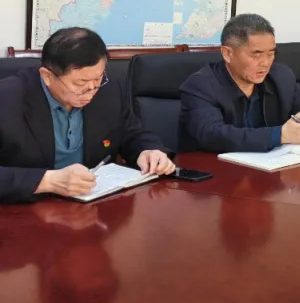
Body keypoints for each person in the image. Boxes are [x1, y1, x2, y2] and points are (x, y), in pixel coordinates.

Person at [0, 28, 174, 203]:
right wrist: (46, 181)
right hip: (28, 208)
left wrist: (148, 150)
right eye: (80, 83)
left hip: (95, 203)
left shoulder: (110, 86)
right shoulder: (7, 98)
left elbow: (131, 132)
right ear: (47, 76)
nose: (91, 89)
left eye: (98, 79)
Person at [178, 13, 300, 153]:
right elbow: (212, 134)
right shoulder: (200, 85)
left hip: (272, 168)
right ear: (227, 53)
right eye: (256, 55)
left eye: (271, 53)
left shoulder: (282, 77)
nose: (265, 63)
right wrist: (280, 135)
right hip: (215, 169)